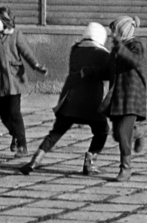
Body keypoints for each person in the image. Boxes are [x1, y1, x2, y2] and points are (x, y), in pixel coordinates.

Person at [20, 22, 113, 176]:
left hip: (69, 100)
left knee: (56, 132)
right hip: (91, 103)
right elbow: (107, 74)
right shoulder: (104, 55)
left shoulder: (75, 50)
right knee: (102, 131)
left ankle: (35, 160)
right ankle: (89, 163)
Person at [0, 6, 46, 155]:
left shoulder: (15, 35)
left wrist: (36, 65)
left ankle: (22, 145)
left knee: (14, 112)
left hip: (14, 81)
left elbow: (26, 52)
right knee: (4, 116)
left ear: (5, 21)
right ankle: (15, 134)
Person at [104, 15, 147, 182]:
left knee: (122, 132)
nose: (112, 35)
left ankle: (125, 169)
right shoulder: (117, 50)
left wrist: (120, 48)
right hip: (117, 96)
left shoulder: (135, 46)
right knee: (116, 134)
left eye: (114, 31)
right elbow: (109, 70)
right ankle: (136, 133)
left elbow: (134, 61)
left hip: (131, 96)